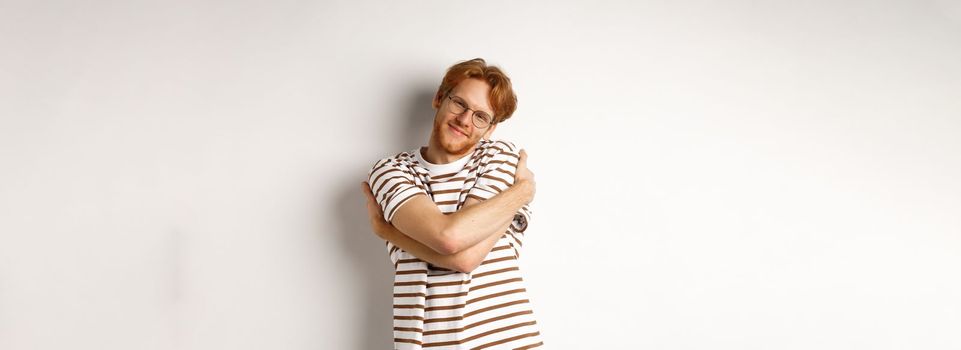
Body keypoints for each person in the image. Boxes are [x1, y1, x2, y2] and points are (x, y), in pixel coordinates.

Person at [361, 58, 544, 349]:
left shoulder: (499, 157)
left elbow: (463, 257)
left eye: (481, 116)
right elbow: (452, 241)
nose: (465, 120)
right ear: (439, 98)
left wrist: (388, 232)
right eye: (459, 103)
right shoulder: (390, 171)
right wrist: (519, 195)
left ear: (490, 128)